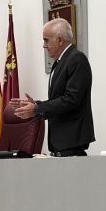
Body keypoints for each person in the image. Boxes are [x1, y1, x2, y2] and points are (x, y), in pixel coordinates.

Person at [11, 18, 95, 156]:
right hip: (61, 143)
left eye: (46, 40)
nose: (44, 45)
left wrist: (37, 109)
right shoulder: (62, 61)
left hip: (71, 140)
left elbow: (71, 100)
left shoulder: (77, 59)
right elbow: (59, 98)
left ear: (60, 40)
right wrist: (35, 105)